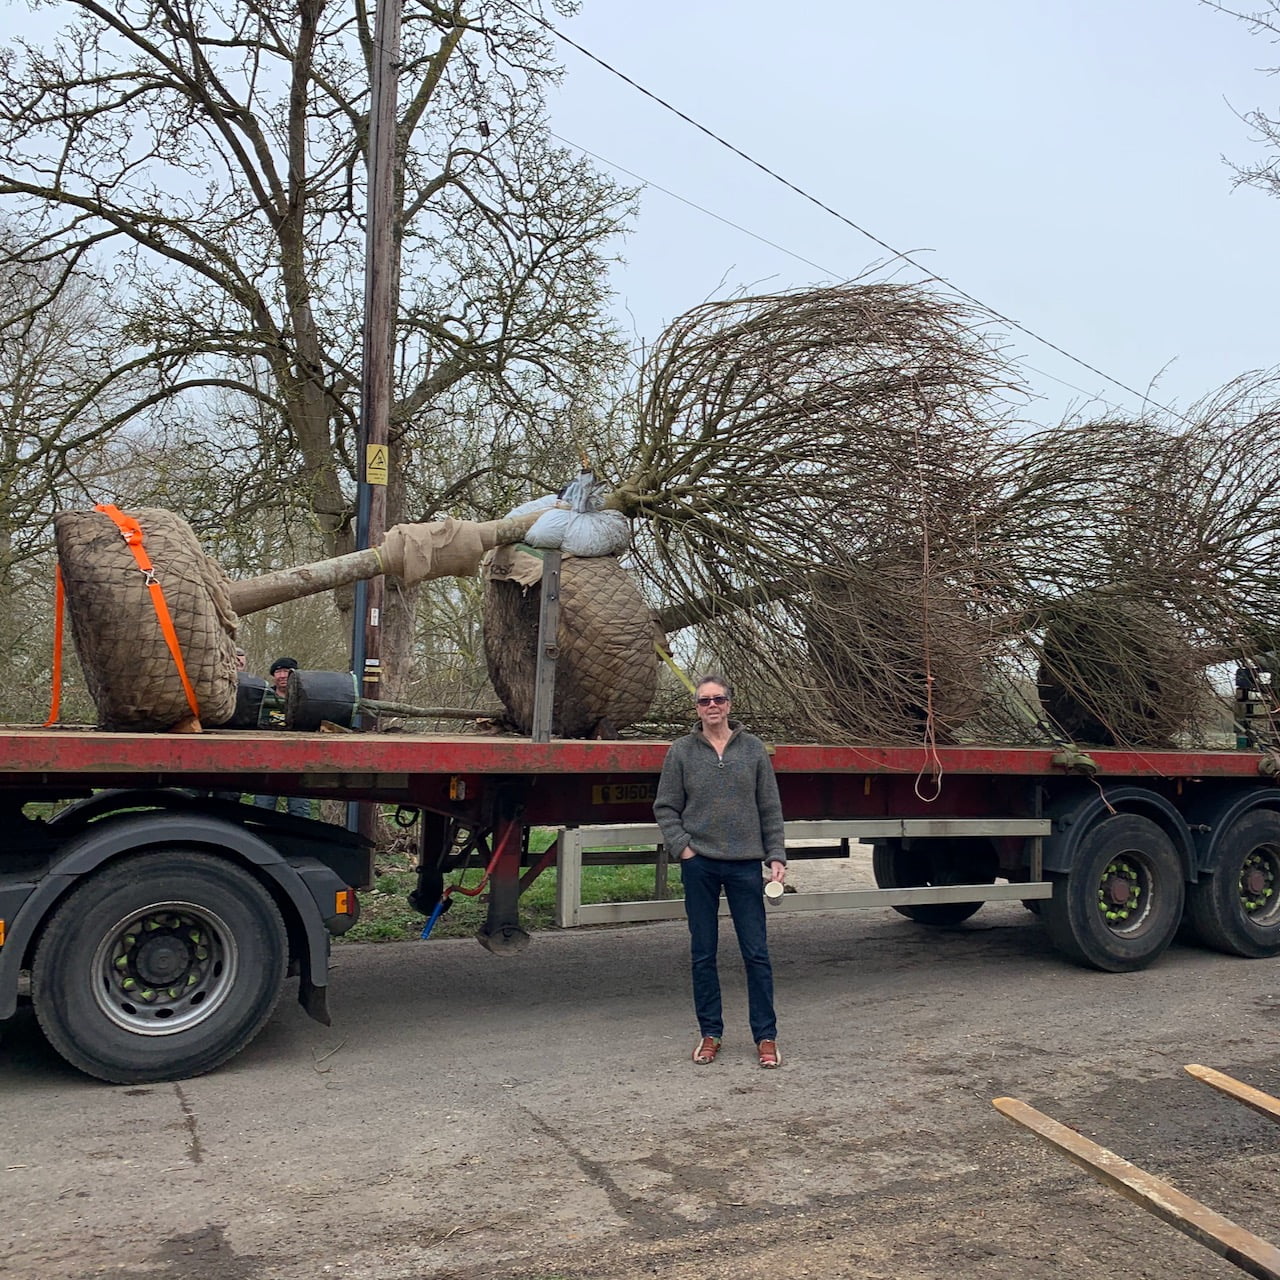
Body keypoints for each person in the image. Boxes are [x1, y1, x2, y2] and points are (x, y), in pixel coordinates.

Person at [654, 674, 787, 1069]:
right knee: (703, 953)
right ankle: (710, 1033)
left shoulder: (754, 751)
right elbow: (665, 807)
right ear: (696, 708)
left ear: (729, 704)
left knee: (756, 953)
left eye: (718, 700)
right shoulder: (680, 752)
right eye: (704, 701)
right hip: (701, 867)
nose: (711, 706)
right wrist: (685, 850)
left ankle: (765, 1036)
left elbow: (770, 809)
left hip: (746, 865)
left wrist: (775, 855)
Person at [253, 657, 312, 818]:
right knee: (262, 810)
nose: (282, 675)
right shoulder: (264, 699)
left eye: (286, 671)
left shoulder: (307, 700)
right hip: (268, 764)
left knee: (300, 812)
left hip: (297, 764)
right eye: (278, 672)